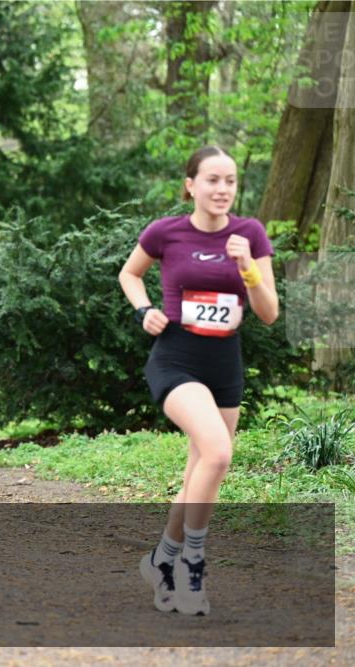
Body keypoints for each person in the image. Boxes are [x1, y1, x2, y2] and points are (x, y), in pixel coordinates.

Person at [119, 145, 278, 615]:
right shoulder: (165, 233)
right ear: (191, 185)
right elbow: (130, 274)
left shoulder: (250, 234)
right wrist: (144, 309)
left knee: (199, 474)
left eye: (230, 181)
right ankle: (190, 568)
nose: (222, 189)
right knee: (218, 452)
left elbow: (268, 313)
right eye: (212, 180)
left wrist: (247, 266)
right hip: (176, 359)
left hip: (224, 365)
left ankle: (160, 561)